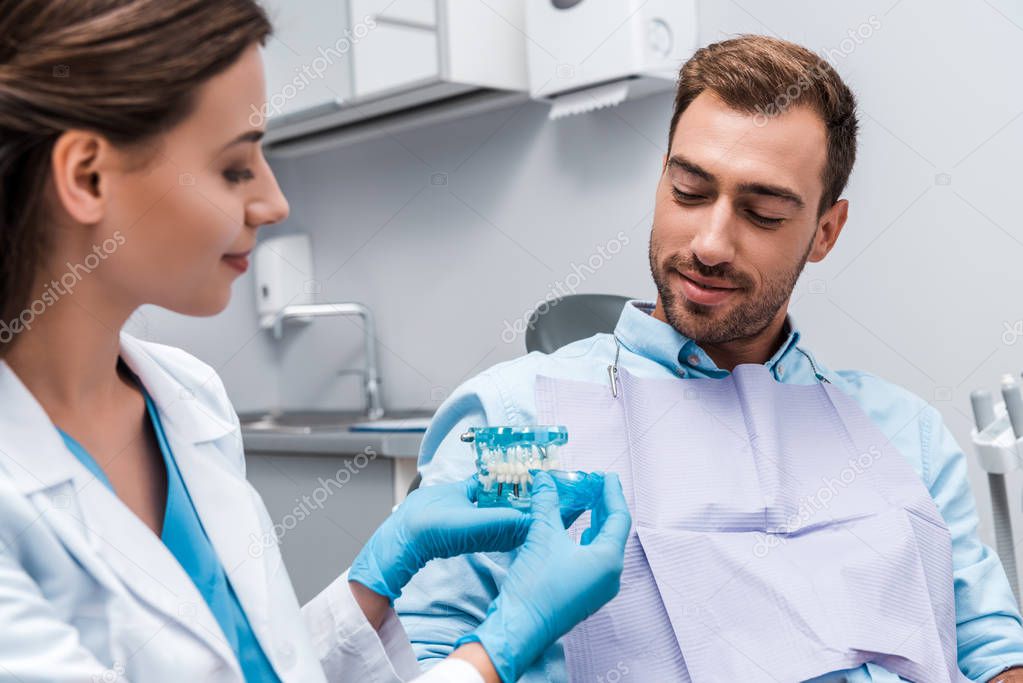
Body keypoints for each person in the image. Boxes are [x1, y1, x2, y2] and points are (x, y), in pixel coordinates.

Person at [0, 2, 631, 682]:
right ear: (88, 176)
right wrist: (497, 647)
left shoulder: (186, 400)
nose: (274, 202)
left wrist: (376, 575)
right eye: (235, 168)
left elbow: (255, 665)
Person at [395, 35, 1023, 682]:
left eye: (762, 211)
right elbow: (423, 653)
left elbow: (988, 644)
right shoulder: (516, 416)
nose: (711, 242)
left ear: (824, 233)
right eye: (689, 191)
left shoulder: (903, 432)